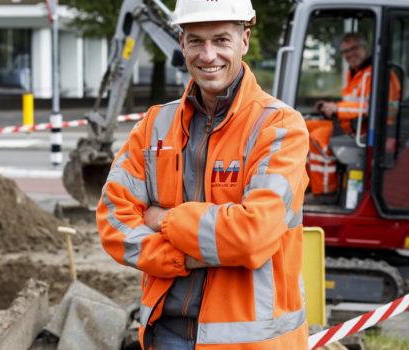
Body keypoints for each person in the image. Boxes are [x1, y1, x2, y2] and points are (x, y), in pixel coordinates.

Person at [96, 0, 310, 348]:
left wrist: (163, 219)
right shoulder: (154, 126)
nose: (208, 55)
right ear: (181, 44)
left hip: (252, 343)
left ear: (244, 41)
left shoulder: (280, 126)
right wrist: (182, 258)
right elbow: (113, 222)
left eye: (221, 40)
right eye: (196, 40)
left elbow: (252, 235)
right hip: (166, 334)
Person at [307, 32, 401, 195]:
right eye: (346, 51)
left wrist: (338, 109)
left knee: (318, 139)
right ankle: (306, 183)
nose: (350, 54)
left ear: (365, 48)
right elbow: (354, 103)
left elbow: (379, 108)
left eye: (354, 49)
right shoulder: (356, 73)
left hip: (365, 131)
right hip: (350, 126)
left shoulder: (379, 75)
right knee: (303, 128)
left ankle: (325, 192)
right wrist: (332, 106)